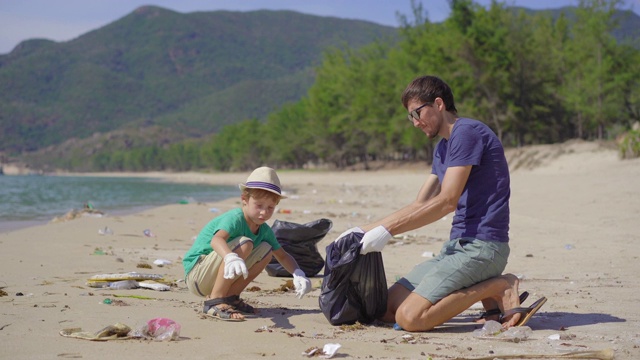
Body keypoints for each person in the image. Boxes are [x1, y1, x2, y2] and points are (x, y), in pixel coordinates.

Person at [338, 75, 546, 332]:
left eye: (417, 113)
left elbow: (447, 201)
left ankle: (499, 285)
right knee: (386, 309)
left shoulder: (466, 132)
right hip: (455, 248)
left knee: (410, 319)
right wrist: (364, 230)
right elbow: (421, 203)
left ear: (438, 104)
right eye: (410, 117)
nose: (415, 123)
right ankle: (488, 293)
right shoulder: (443, 148)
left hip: (483, 248)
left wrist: (388, 231)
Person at [183, 166, 312, 321]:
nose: (264, 212)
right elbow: (216, 240)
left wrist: (298, 273)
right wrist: (230, 257)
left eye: (270, 208)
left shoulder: (264, 230)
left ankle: (230, 297)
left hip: (216, 275)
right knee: (246, 243)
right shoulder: (235, 218)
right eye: (259, 206)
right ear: (244, 200)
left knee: (266, 249)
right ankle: (214, 301)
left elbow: (282, 256)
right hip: (197, 275)